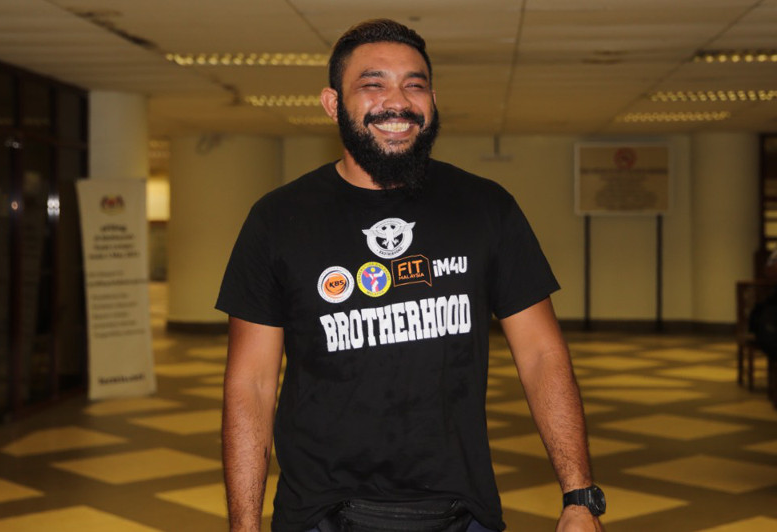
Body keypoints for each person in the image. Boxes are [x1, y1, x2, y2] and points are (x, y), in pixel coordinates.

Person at [217, 18, 605, 532]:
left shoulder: (486, 207)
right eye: (373, 84)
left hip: (461, 512)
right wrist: (243, 527)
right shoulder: (278, 220)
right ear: (333, 103)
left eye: (414, 85)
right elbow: (251, 385)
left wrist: (579, 497)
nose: (397, 102)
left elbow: (541, 355)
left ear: (432, 100)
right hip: (321, 513)